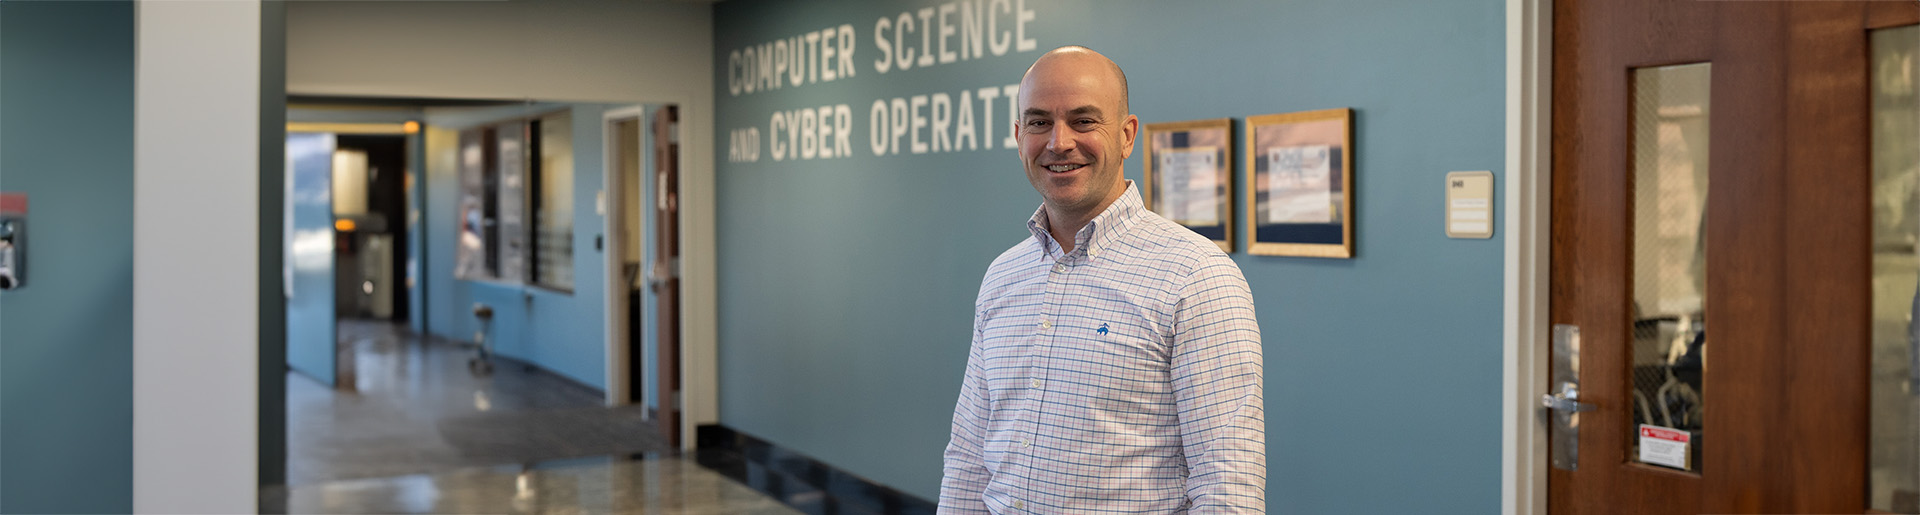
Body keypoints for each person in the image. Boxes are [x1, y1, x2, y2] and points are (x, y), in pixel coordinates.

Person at [938, 46, 1265, 514]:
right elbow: (970, 455)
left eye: (1084, 121)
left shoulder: (1196, 276)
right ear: (1018, 136)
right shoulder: (1003, 276)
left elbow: (1228, 485)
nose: (1059, 142)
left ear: (1127, 135)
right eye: (1038, 122)